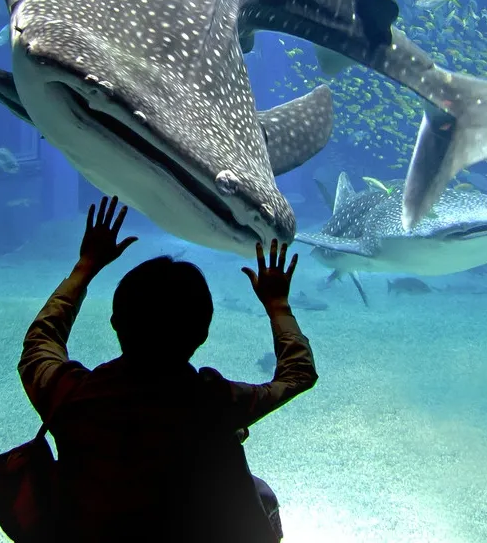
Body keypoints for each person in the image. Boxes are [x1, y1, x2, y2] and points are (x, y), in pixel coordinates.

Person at [18, 196, 318, 542]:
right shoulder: (213, 401)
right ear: (203, 332)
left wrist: (85, 267)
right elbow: (298, 375)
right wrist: (278, 305)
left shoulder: (72, 394)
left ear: (116, 322)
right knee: (261, 495)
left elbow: (40, 342)